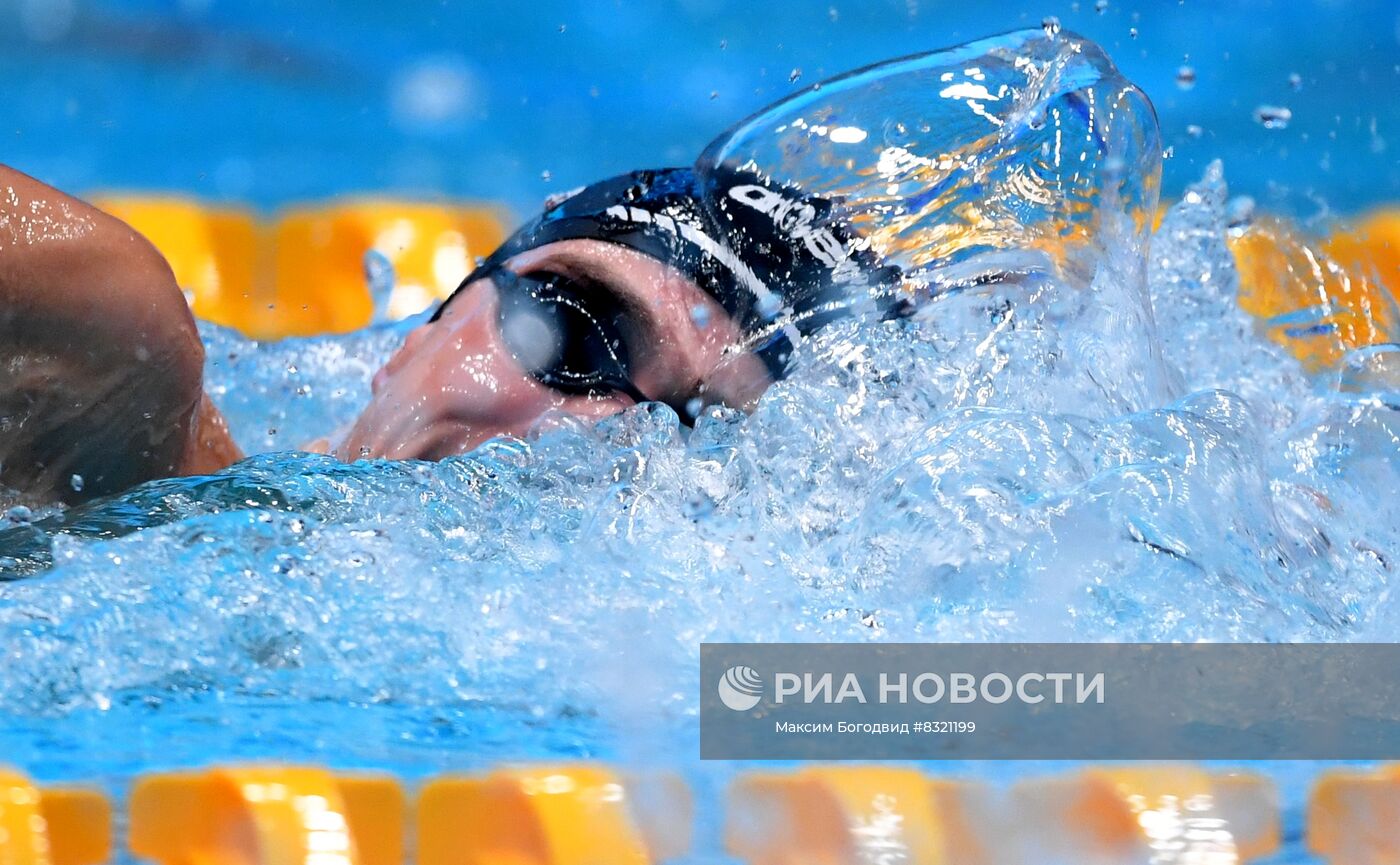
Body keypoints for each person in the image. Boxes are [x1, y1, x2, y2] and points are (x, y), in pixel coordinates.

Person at [0, 160, 902, 505]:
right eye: (578, 330)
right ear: (423, 329)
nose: (602, 429)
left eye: (697, 431)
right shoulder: (104, 360)